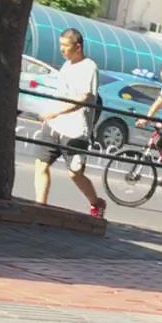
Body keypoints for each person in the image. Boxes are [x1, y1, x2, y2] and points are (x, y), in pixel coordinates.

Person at [34, 28, 105, 219]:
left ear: (78, 47)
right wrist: (49, 116)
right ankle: (39, 208)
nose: (62, 50)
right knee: (41, 164)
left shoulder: (89, 67)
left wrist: (57, 112)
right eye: (60, 45)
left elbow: (84, 97)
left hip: (76, 130)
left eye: (65, 46)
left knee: (75, 173)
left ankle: (96, 203)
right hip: (54, 126)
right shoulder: (66, 65)